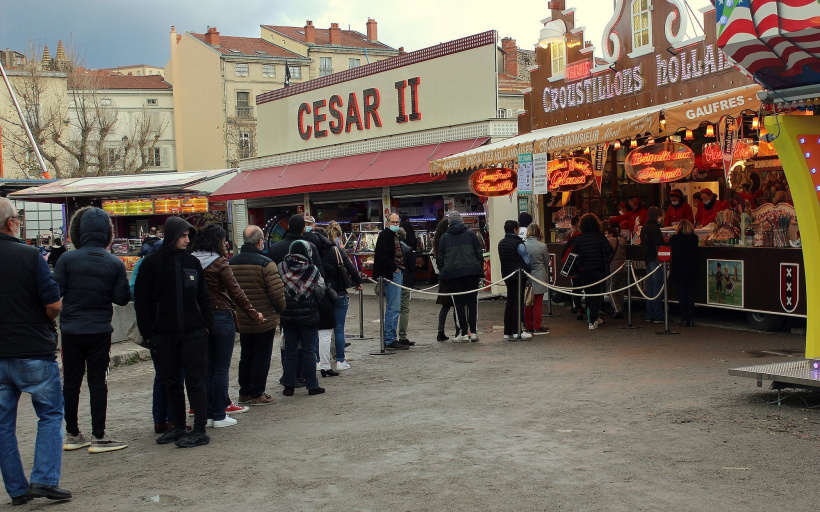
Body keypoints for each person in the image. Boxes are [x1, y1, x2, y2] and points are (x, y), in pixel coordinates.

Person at [0, 197, 71, 505]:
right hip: (33, 349)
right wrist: (43, 320)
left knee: (3, 425)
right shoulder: (30, 256)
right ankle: (43, 479)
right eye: (18, 217)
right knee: (51, 413)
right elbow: (54, 303)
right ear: (11, 223)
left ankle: (16, 490)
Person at [54, 207, 131, 453]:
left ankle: (72, 432)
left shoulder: (66, 259)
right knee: (98, 382)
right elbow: (121, 299)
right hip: (99, 329)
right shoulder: (114, 263)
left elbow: (56, 293)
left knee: (71, 381)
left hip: (71, 329)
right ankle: (99, 435)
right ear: (107, 234)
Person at [134, 216, 213, 448]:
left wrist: (207, 326)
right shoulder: (152, 264)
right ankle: (178, 426)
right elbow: (142, 301)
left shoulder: (192, 263)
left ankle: (199, 428)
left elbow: (203, 296)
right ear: (172, 236)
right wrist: (149, 333)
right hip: (164, 334)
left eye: (189, 236)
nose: (187, 240)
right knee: (171, 382)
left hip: (193, 332)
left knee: (196, 381)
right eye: (183, 235)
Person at [191, 224, 264, 428]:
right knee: (221, 369)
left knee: (206, 369)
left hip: (199, 318)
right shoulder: (220, 263)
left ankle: (205, 414)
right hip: (221, 316)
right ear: (218, 242)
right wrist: (253, 313)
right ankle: (220, 414)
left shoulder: (191, 261)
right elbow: (236, 292)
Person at [230, 225, 286, 405]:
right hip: (265, 318)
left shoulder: (231, 262)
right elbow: (277, 293)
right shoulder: (265, 263)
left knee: (246, 354)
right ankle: (257, 393)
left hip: (242, 317)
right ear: (260, 242)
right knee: (262, 356)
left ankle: (244, 391)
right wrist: (280, 309)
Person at [129, 239, 175, 433]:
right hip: (165, 329)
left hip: (153, 330)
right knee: (174, 376)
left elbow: (134, 293)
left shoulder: (143, 264)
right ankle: (172, 418)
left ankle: (160, 419)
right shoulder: (164, 267)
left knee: (160, 375)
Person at [278, 240, 326, 396]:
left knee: (290, 351)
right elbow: (320, 290)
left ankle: (289, 385)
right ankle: (312, 385)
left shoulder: (281, 267)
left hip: (287, 315)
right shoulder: (313, 270)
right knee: (309, 351)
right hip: (309, 315)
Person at [437, 212, 484, 342]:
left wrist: (444, 271)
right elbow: (479, 253)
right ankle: (473, 332)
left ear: (449, 223)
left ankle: (463, 333)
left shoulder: (445, 237)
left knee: (458, 304)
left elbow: (440, 258)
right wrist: (478, 268)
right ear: (461, 221)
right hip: (472, 273)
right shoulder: (470, 234)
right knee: (472, 303)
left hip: (453, 275)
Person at [324, 222, 362, 369]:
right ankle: (340, 360)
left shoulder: (319, 250)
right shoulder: (339, 251)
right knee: (339, 329)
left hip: (323, 294)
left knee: (323, 330)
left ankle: (321, 361)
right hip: (339, 292)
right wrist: (358, 282)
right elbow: (351, 268)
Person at [373, 213, 407, 350]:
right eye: (393, 222)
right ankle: (390, 339)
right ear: (387, 223)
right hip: (391, 274)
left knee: (394, 307)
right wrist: (395, 269)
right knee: (393, 307)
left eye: (397, 222)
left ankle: (390, 337)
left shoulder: (392, 235)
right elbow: (383, 255)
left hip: (394, 273)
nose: (395, 224)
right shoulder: (386, 236)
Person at [573, 214, 613, 329]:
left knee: (588, 293)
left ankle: (591, 317)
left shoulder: (579, 238)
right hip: (598, 268)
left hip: (583, 270)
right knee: (596, 294)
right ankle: (593, 319)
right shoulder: (600, 236)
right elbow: (609, 250)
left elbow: (574, 253)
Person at [498, 219, 532, 340]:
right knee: (518, 302)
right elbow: (527, 260)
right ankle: (518, 331)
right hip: (519, 275)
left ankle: (508, 331)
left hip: (507, 275)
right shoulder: (518, 244)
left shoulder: (501, 243)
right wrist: (529, 270)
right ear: (515, 230)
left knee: (510, 302)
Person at [669, 219, 698, 327]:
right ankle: (690, 319)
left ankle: (683, 319)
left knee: (681, 295)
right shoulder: (694, 238)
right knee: (690, 295)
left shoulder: (674, 239)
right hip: (691, 269)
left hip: (678, 269)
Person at [523, 223, 550, 334]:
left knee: (528, 303)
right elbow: (547, 261)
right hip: (539, 275)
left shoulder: (523, 245)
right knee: (538, 303)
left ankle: (528, 326)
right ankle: (537, 326)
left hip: (527, 275)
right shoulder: (542, 246)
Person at [432, 218, 456, 342]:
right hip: (451, 275)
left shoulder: (437, 242)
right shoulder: (448, 240)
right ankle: (458, 330)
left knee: (445, 306)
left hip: (443, 276)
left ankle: (440, 331)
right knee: (457, 304)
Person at [641, 206, 665, 324]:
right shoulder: (655, 228)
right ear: (657, 216)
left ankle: (649, 314)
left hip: (648, 258)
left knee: (650, 287)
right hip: (656, 259)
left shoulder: (644, 228)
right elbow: (659, 245)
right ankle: (658, 315)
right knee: (657, 287)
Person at [560, 215, 584, 319]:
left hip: (574, 269)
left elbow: (563, 255)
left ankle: (578, 309)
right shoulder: (589, 237)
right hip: (586, 269)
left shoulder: (572, 239)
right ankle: (590, 311)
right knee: (589, 290)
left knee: (576, 289)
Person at [397, 228, 417, 345]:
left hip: (393, 282)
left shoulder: (391, 248)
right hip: (405, 281)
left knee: (392, 309)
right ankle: (402, 336)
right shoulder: (408, 249)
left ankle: (389, 336)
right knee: (404, 309)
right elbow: (412, 268)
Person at [606, 225, 628, 319]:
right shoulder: (622, 241)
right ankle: (621, 308)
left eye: (607, 234)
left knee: (611, 290)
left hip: (613, 268)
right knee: (620, 289)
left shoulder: (610, 242)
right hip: (623, 267)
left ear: (611, 234)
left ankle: (617, 309)